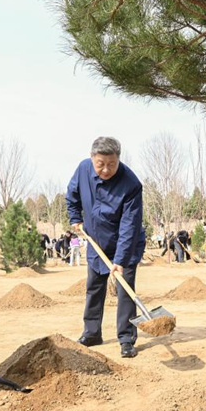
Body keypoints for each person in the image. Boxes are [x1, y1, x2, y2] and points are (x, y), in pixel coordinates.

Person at [66, 137, 145, 359]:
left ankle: (126, 339)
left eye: (112, 164)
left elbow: (129, 226)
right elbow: (72, 195)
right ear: (92, 158)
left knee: (125, 290)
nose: (106, 170)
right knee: (94, 287)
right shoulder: (83, 169)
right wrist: (75, 217)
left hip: (126, 243)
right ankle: (92, 333)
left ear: (118, 159)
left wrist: (120, 260)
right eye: (100, 164)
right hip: (96, 240)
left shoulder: (131, 184)